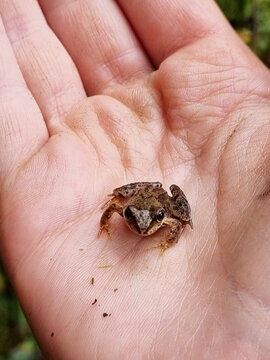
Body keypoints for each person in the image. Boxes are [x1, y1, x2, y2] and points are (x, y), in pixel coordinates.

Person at [1, 0, 270, 358]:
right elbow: (113, 205)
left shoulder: (166, 216)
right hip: (145, 192)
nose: (143, 227)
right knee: (131, 194)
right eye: (134, 219)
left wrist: (173, 231)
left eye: (149, 221)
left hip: (157, 195)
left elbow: (174, 223)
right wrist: (108, 220)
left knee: (181, 211)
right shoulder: (126, 210)